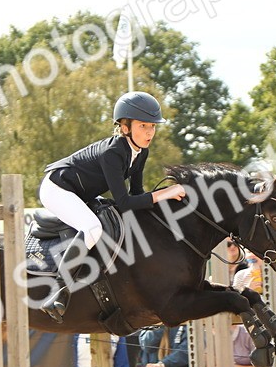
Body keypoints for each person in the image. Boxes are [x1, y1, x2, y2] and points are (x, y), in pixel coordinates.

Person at [37, 91, 187, 320]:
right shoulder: (113, 153)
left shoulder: (140, 152)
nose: (149, 133)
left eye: (153, 127)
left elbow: (138, 194)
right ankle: (58, 291)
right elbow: (125, 202)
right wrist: (165, 193)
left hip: (79, 192)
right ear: (125, 127)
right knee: (92, 227)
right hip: (57, 189)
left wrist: (165, 203)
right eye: (143, 126)